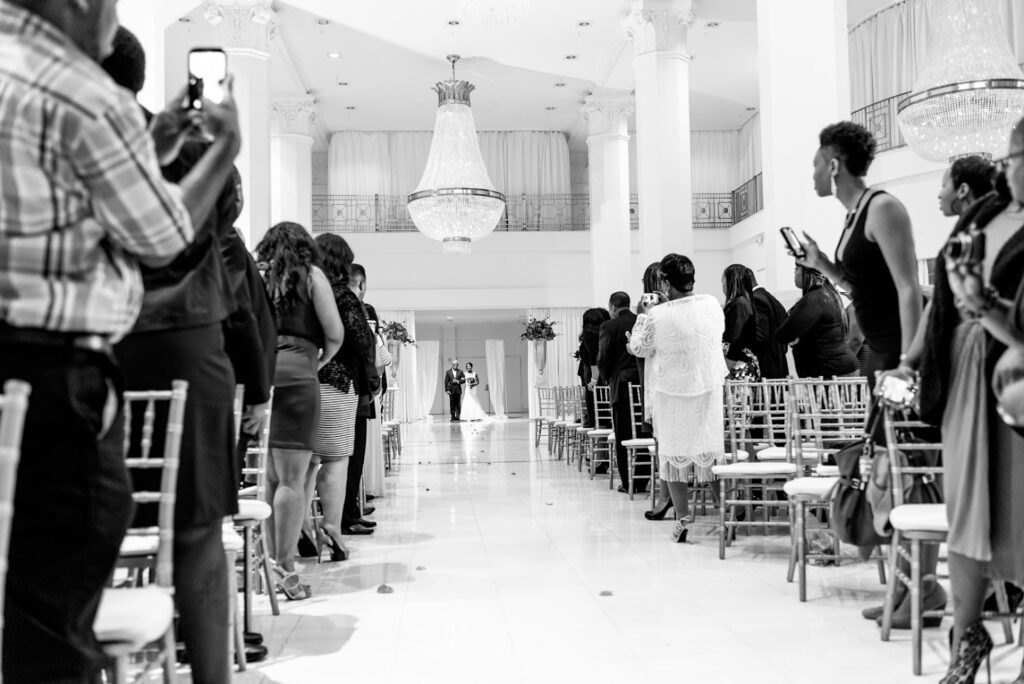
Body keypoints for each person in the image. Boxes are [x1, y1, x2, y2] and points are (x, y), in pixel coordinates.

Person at [0, 3, 239, 681]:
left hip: (66, 357)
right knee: (57, 609)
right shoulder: (79, 94)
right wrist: (222, 149)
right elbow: (167, 233)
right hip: (71, 365)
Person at [892, 119, 1024, 683]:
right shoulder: (985, 215)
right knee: (967, 507)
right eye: (1012, 155)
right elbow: (943, 301)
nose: (1011, 166)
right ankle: (967, 636)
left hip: (1013, 364)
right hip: (970, 366)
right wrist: (910, 361)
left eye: (1018, 155)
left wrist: (987, 306)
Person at [795, 121, 938, 628]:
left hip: (899, 358)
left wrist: (909, 361)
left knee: (901, 476)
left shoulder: (883, 207)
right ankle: (916, 590)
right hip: (879, 354)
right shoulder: (855, 216)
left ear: (834, 165)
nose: (812, 171)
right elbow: (862, 288)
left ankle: (920, 594)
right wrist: (822, 264)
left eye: (816, 161)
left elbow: (907, 287)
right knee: (888, 475)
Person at [258, 222, 342, 598]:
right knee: (293, 479)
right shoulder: (311, 276)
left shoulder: (259, 276)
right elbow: (335, 332)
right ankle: (285, 568)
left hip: (262, 374)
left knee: (270, 478)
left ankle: (267, 566)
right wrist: (318, 360)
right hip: (297, 371)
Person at [629, 254, 726, 542]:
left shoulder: (658, 315)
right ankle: (724, 514)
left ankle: (682, 520)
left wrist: (643, 314)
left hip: (672, 393)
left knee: (672, 455)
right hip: (708, 388)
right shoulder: (712, 305)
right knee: (710, 452)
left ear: (667, 282)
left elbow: (639, 347)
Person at [310, 234, 378, 560]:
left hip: (302, 383)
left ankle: (303, 535)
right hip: (336, 383)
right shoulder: (342, 295)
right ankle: (333, 532)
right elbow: (362, 339)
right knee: (335, 460)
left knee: (307, 463)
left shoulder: (303, 290)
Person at [341, 264, 380, 536]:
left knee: (352, 458)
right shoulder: (352, 307)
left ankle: (351, 512)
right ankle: (345, 516)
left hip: (354, 390)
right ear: (362, 284)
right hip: (353, 390)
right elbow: (366, 350)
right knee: (351, 457)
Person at [598, 291, 648, 494]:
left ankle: (628, 482)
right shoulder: (642, 321)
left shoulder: (609, 326)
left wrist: (609, 377)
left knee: (623, 435)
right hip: (645, 384)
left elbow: (603, 359)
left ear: (612, 306)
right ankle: (642, 480)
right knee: (645, 432)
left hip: (621, 386)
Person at [776, 266, 858, 378]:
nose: (794, 273)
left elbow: (783, 334)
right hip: (836, 369)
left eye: (797, 269)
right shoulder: (828, 294)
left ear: (808, 272)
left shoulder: (816, 298)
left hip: (832, 371)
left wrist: (796, 338)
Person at [747, 269, 790, 378]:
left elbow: (760, 336)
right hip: (778, 365)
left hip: (766, 368)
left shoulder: (756, 299)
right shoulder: (772, 299)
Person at [721, 264, 761, 379]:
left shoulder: (740, 304)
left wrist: (726, 367)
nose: (722, 285)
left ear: (731, 282)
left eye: (723, 281)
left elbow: (736, 340)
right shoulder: (741, 302)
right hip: (737, 363)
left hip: (738, 365)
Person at [578, 308, 610, 428]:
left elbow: (593, 356)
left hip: (593, 370)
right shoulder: (603, 332)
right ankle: (600, 423)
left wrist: (594, 378)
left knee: (594, 397)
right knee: (600, 399)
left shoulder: (589, 334)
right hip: (599, 369)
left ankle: (597, 424)